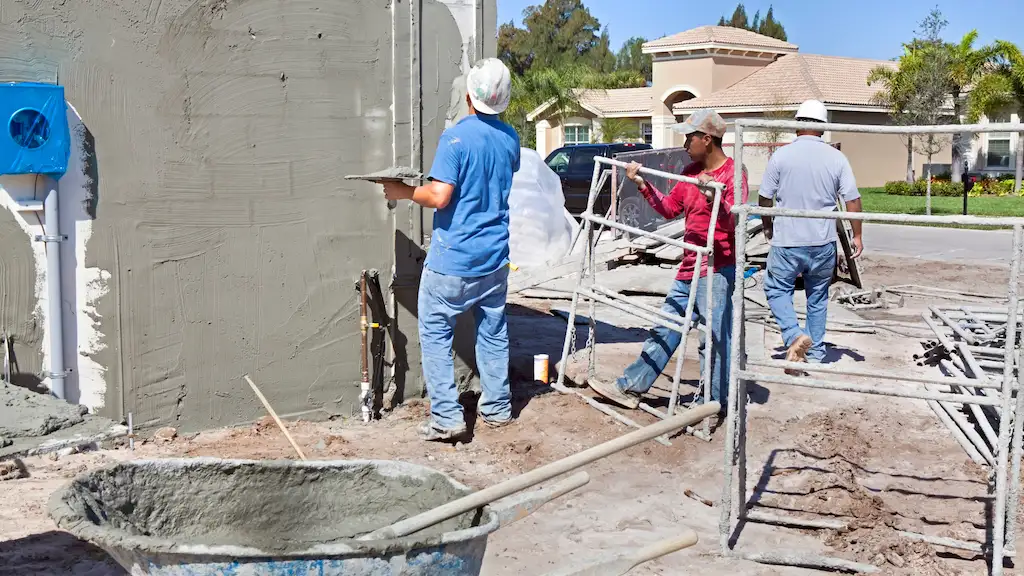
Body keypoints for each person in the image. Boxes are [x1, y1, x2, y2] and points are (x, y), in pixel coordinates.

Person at [381, 58, 520, 442]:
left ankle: (447, 418)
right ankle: (497, 408)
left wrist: (403, 192)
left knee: (436, 333)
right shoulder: (510, 139)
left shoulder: (456, 138)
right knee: (493, 333)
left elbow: (441, 196)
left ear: (469, 96)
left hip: (454, 260)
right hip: (495, 259)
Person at [588, 109, 748, 415]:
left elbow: (732, 223)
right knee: (666, 328)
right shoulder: (688, 173)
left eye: (690, 137)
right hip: (689, 265)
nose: (685, 143)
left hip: (715, 268)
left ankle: (711, 404)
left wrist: (714, 197)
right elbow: (669, 209)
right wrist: (642, 183)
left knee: (712, 339)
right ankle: (631, 386)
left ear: (707, 139)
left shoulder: (732, 174)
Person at [758, 99, 864, 369]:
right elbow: (852, 199)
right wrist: (857, 235)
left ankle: (793, 335)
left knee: (775, 288)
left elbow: (764, 198)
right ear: (823, 127)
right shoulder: (836, 157)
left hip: (788, 242)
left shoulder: (781, 156)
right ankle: (815, 354)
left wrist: (768, 225)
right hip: (822, 241)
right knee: (817, 296)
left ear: (797, 125)